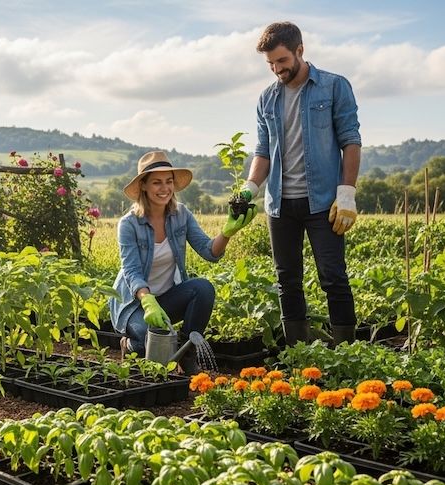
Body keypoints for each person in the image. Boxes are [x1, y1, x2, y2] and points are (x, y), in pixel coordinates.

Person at [241, 21, 361, 346]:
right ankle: (298, 352)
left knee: (333, 277)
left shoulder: (334, 87)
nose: (277, 69)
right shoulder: (266, 99)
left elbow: (350, 140)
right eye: (270, 64)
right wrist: (250, 188)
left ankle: (346, 352)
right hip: (280, 204)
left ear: (299, 51)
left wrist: (347, 193)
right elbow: (263, 151)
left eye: (281, 61)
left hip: (323, 202)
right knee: (287, 280)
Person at [110, 150, 254, 373]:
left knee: (203, 288)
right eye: (157, 182)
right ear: (144, 186)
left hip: (167, 298)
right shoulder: (129, 224)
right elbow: (131, 271)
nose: (165, 188)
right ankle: (129, 345)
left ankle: (187, 355)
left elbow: (209, 251)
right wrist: (147, 300)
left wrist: (227, 232)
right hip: (137, 304)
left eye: (169, 182)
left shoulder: (181, 215)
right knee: (146, 345)